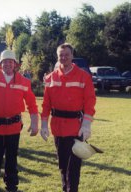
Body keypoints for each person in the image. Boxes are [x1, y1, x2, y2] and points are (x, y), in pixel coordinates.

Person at [0, 49, 39, 192]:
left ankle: (11, 187)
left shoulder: (24, 81)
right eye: (5, 62)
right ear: (0, 64)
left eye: (11, 62)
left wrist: (35, 123)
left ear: (15, 64)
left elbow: (32, 104)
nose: (8, 64)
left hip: (13, 128)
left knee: (11, 160)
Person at [40, 43, 96, 192]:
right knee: (63, 165)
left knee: (74, 167)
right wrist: (44, 124)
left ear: (72, 56)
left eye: (67, 54)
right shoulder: (50, 77)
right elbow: (46, 104)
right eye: (61, 55)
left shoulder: (83, 76)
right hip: (57, 127)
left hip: (76, 128)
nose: (63, 57)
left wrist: (86, 125)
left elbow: (90, 102)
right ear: (57, 57)